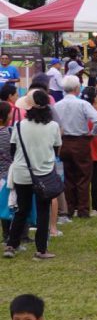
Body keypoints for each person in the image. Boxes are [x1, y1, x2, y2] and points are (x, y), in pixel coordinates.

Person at [5, 90, 61, 260]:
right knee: (43, 212)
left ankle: (11, 245)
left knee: (22, 209)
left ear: (29, 106)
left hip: (22, 172)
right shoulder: (53, 126)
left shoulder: (19, 125)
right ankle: (41, 250)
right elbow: (56, 149)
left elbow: (13, 150)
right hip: (44, 173)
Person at [54, 75, 97, 219]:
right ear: (77, 88)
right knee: (83, 176)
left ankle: (70, 208)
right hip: (81, 141)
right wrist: (92, 134)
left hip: (64, 142)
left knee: (68, 176)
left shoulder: (57, 105)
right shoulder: (83, 104)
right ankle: (82, 209)